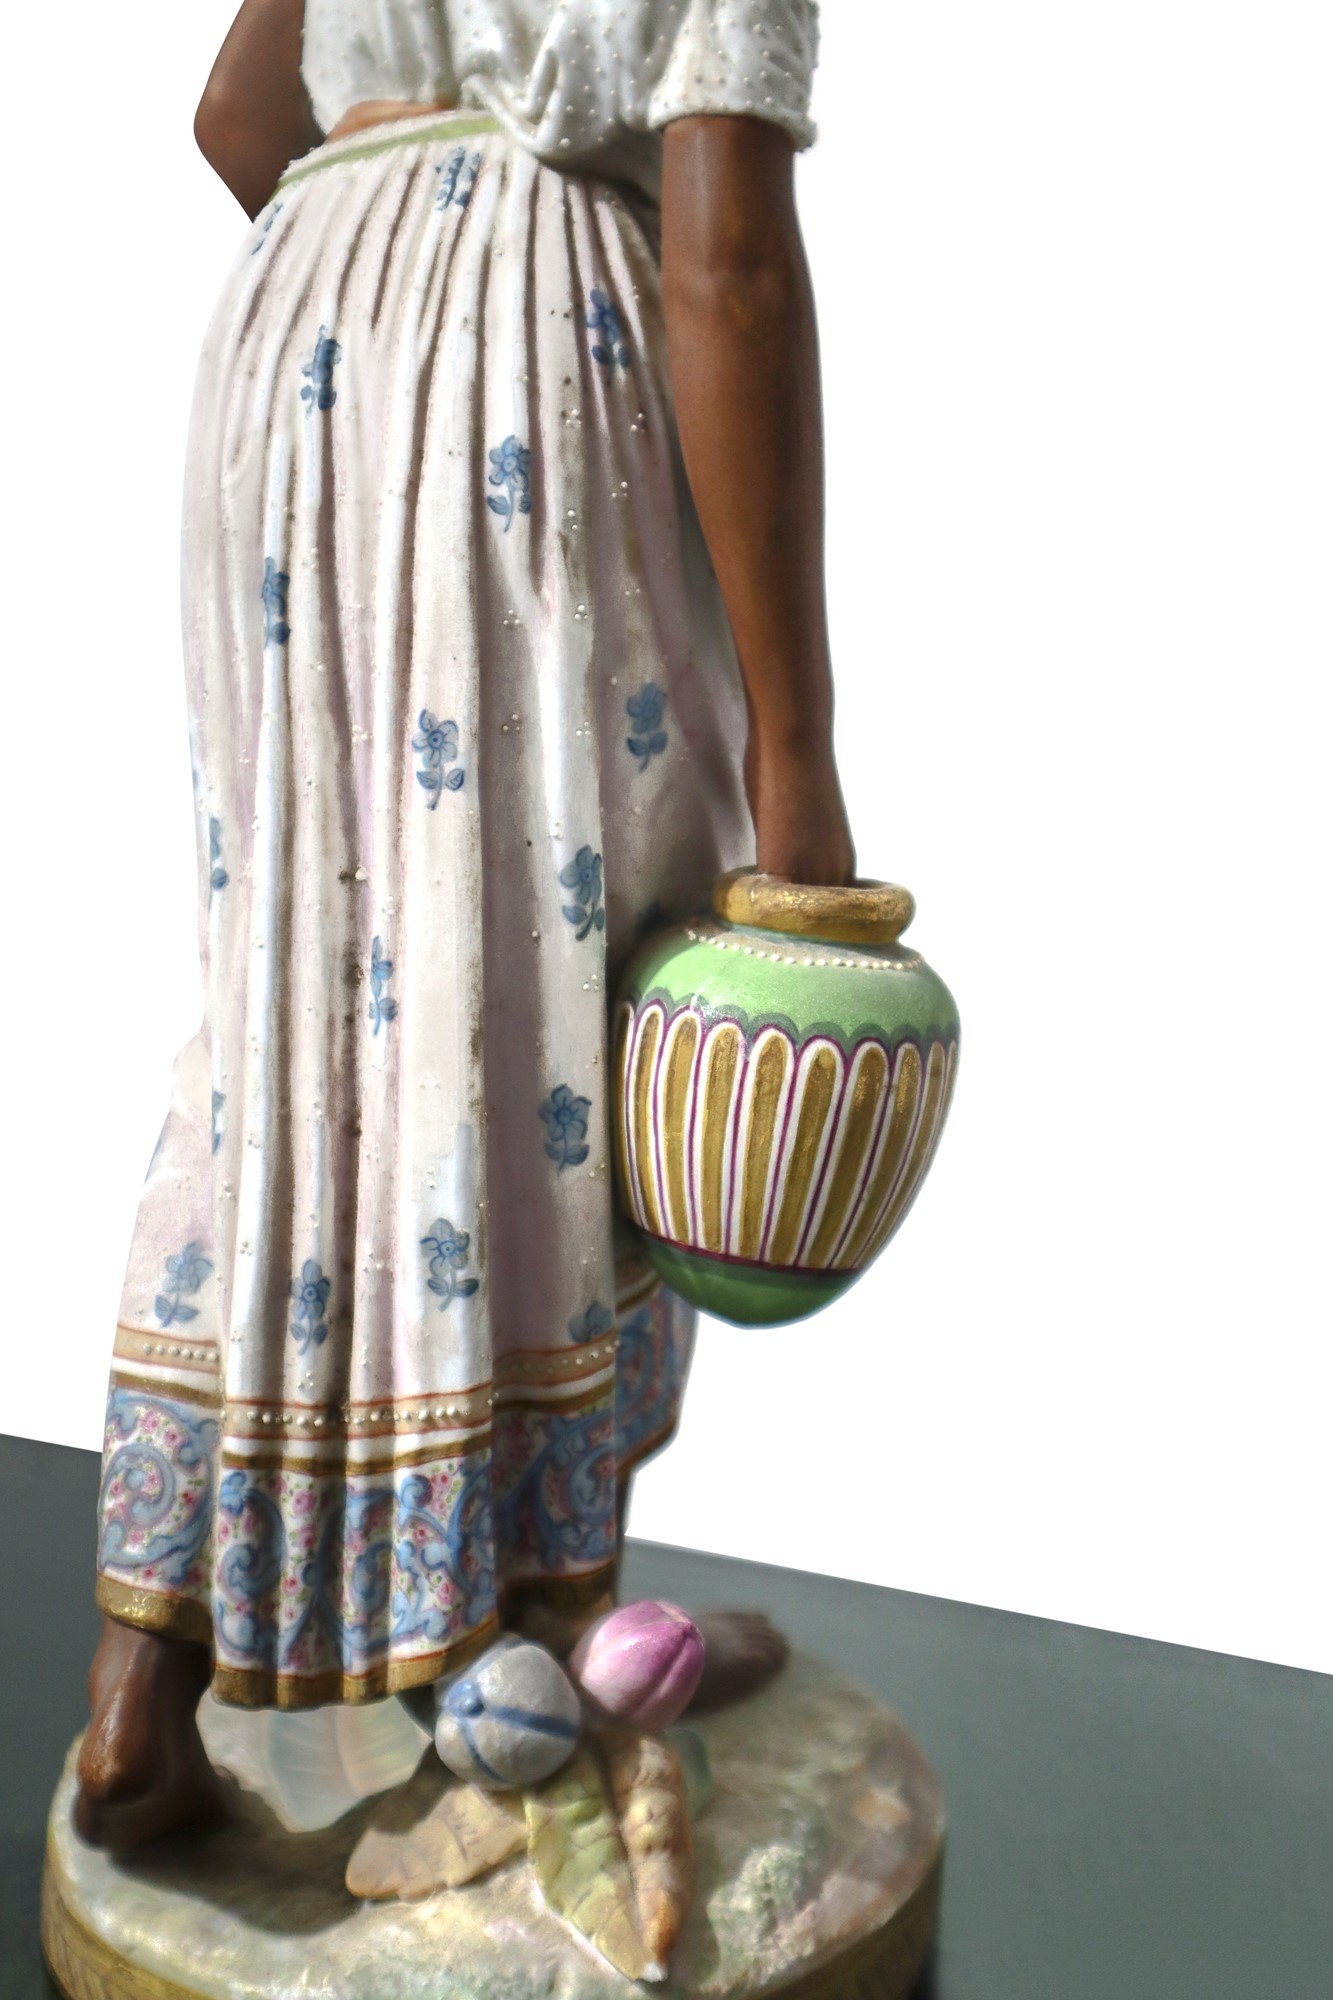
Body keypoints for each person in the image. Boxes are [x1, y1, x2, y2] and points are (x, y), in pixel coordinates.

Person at [76, 0, 854, 1851]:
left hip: (294, 358)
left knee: (288, 1012)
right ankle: (539, 1631)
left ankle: (143, 1677)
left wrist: (374, 232)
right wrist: (801, 751)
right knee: (567, 999)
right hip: (533, 361)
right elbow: (729, 266)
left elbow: (238, 115)